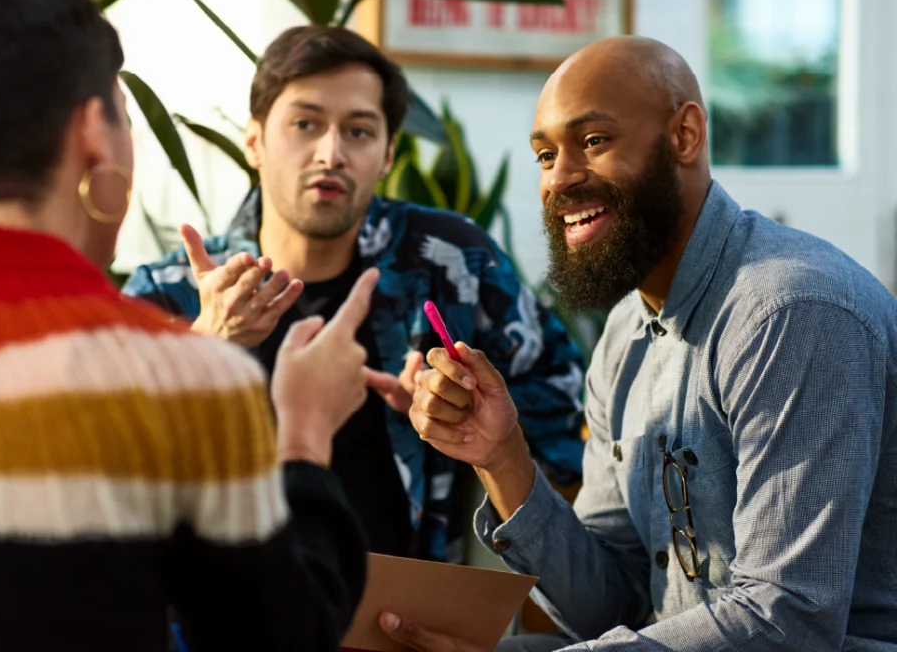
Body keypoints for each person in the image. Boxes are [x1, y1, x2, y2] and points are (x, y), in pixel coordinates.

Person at [0, 0, 377, 652]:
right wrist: (303, 435)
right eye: (125, 116)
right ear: (92, 136)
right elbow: (277, 636)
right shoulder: (188, 378)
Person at [374, 35, 897, 652]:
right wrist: (502, 457)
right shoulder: (624, 337)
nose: (561, 179)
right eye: (545, 156)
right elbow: (614, 605)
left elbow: (788, 621)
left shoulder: (789, 313)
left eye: (594, 142)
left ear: (685, 135)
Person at [124, 25, 586, 562]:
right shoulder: (171, 293)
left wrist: (465, 410)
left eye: (359, 131)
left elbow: (566, 401)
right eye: (305, 124)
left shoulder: (449, 261)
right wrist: (202, 346)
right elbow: (91, 472)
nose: (330, 153)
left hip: (405, 621)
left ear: (388, 154)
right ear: (254, 141)